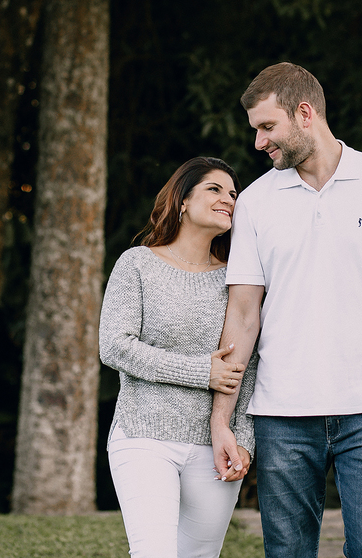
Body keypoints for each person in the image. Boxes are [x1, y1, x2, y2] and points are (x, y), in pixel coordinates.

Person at [210, 63, 362, 558]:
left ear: (305, 113)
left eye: (267, 127)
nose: (258, 143)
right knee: (287, 553)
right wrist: (221, 418)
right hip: (282, 414)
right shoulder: (253, 202)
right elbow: (244, 314)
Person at [99, 157, 257, 558]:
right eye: (215, 189)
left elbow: (248, 366)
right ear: (183, 201)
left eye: (234, 194)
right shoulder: (137, 263)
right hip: (143, 435)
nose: (228, 199)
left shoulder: (237, 278)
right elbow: (114, 345)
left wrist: (245, 442)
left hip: (214, 446)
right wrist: (200, 371)